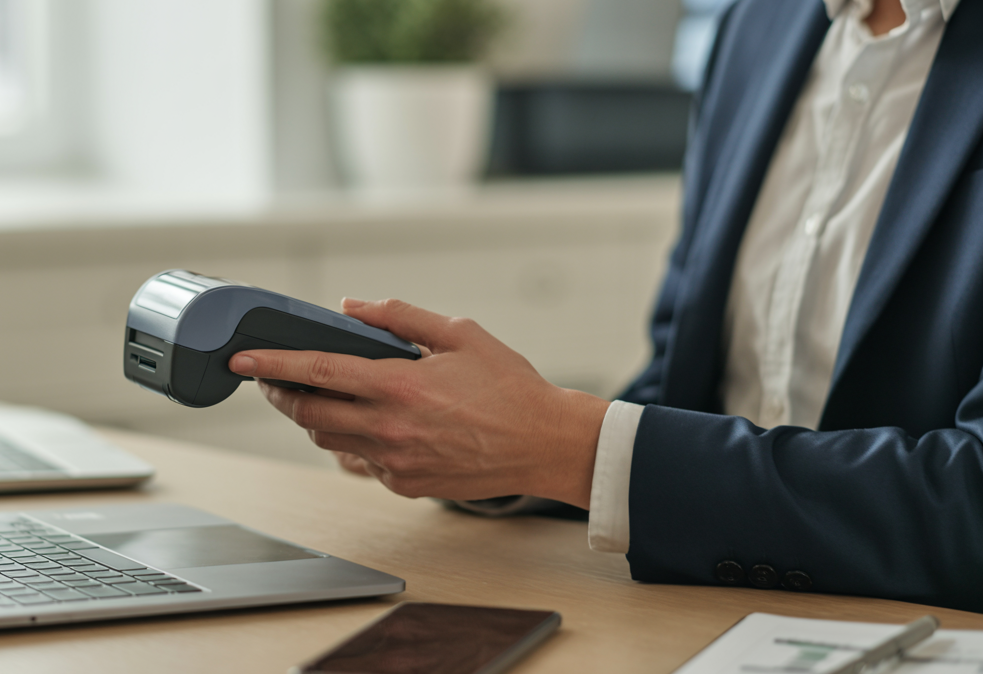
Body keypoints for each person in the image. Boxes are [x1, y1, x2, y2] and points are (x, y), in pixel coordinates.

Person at [229, 0, 983, 612]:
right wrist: (503, 458)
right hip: (693, 618)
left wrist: (572, 448)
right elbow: (684, 392)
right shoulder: (759, 25)